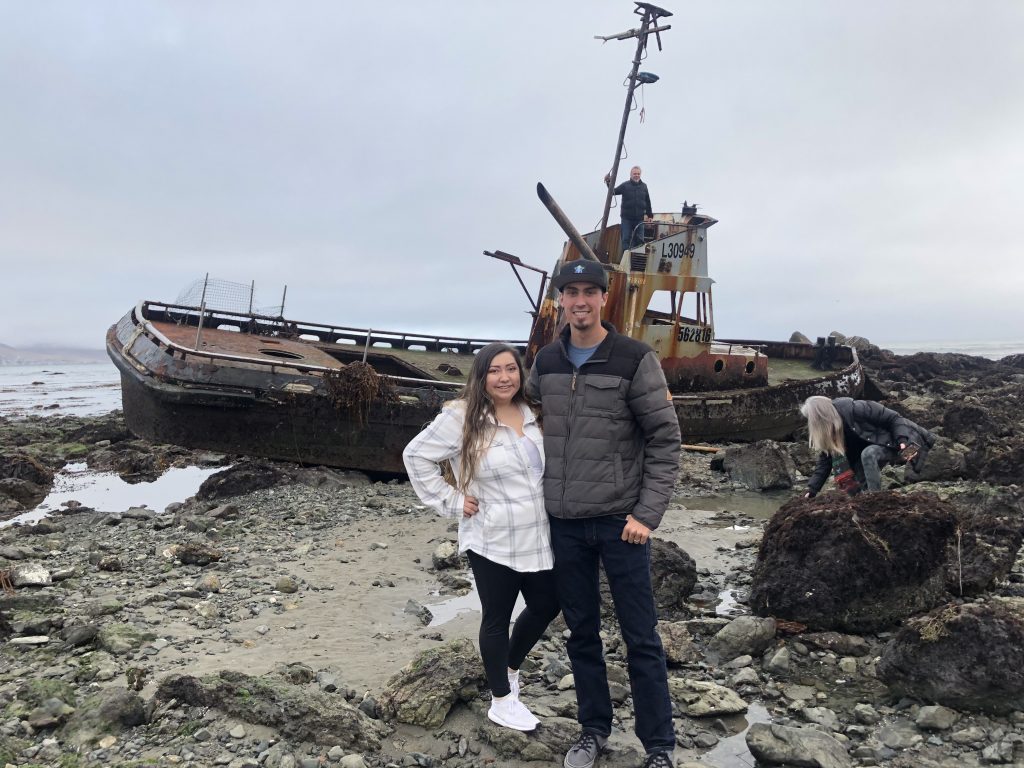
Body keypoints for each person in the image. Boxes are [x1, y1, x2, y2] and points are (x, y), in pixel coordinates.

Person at [527, 259, 681, 768]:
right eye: (570, 292)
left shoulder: (634, 358)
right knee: (581, 634)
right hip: (564, 523)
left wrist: (647, 514)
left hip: (622, 525)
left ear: (603, 299)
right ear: (560, 301)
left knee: (641, 636)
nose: (580, 301)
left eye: (589, 291)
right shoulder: (546, 361)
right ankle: (593, 730)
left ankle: (658, 746)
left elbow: (665, 438)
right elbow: (515, 417)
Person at [403, 343, 560, 732]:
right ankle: (502, 701)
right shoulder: (461, 418)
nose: (504, 377)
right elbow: (416, 455)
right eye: (494, 370)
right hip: (491, 535)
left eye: (511, 369)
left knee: (547, 603)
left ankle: (507, 668)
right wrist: (451, 501)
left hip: (539, 532)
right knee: (497, 616)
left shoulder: (531, 412)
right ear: (480, 376)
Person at [802, 395, 937, 497]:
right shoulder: (831, 430)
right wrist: (812, 490)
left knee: (868, 453)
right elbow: (826, 459)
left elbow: (895, 419)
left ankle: (875, 500)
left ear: (820, 417)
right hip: (874, 450)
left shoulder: (857, 408)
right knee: (859, 484)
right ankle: (868, 503)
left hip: (904, 443)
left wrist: (903, 440)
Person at [604, 166, 654, 255]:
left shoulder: (644, 186)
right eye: (635, 174)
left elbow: (648, 201)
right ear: (631, 174)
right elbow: (613, 192)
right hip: (626, 218)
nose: (636, 175)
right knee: (626, 239)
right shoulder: (625, 185)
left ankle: (637, 261)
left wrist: (650, 216)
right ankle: (626, 261)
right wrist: (608, 182)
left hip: (639, 219)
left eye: (638, 174)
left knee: (639, 241)